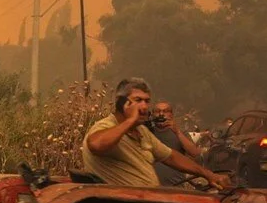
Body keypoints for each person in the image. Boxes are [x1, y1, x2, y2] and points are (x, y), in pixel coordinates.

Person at [83, 78, 229, 188]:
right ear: (122, 103)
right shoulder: (106, 125)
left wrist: (208, 174)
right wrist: (130, 120)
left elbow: (170, 156)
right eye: (138, 100)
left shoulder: (141, 131)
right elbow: (96, 145)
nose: (144, 107)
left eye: (147, 101)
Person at [150, 101, 202, 186]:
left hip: (175, 185)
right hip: (150, 185)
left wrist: (177, 132)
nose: (161, 114)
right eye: (157, 111)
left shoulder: (181, 133)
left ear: (171, 115)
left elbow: (194, 153)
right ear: (152, 114)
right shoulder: (147, 132)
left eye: (165, 111)